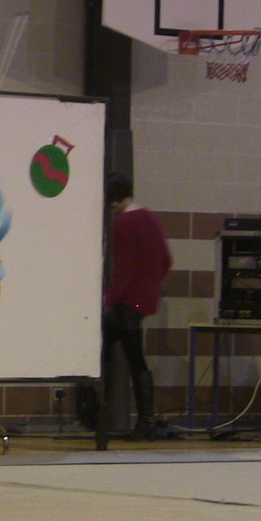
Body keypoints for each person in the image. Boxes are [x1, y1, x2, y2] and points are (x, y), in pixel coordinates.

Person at [104, 172, 172, 440]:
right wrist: (151, 286)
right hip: (143, 299)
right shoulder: (149, 217)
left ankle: (134, 419)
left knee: (108, 351)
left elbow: (125, 268)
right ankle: (146, 420)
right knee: (134, 357)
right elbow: (166, 259)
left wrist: (109, 299)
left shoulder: (123, 222)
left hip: (126, 300)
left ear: (113, 201)